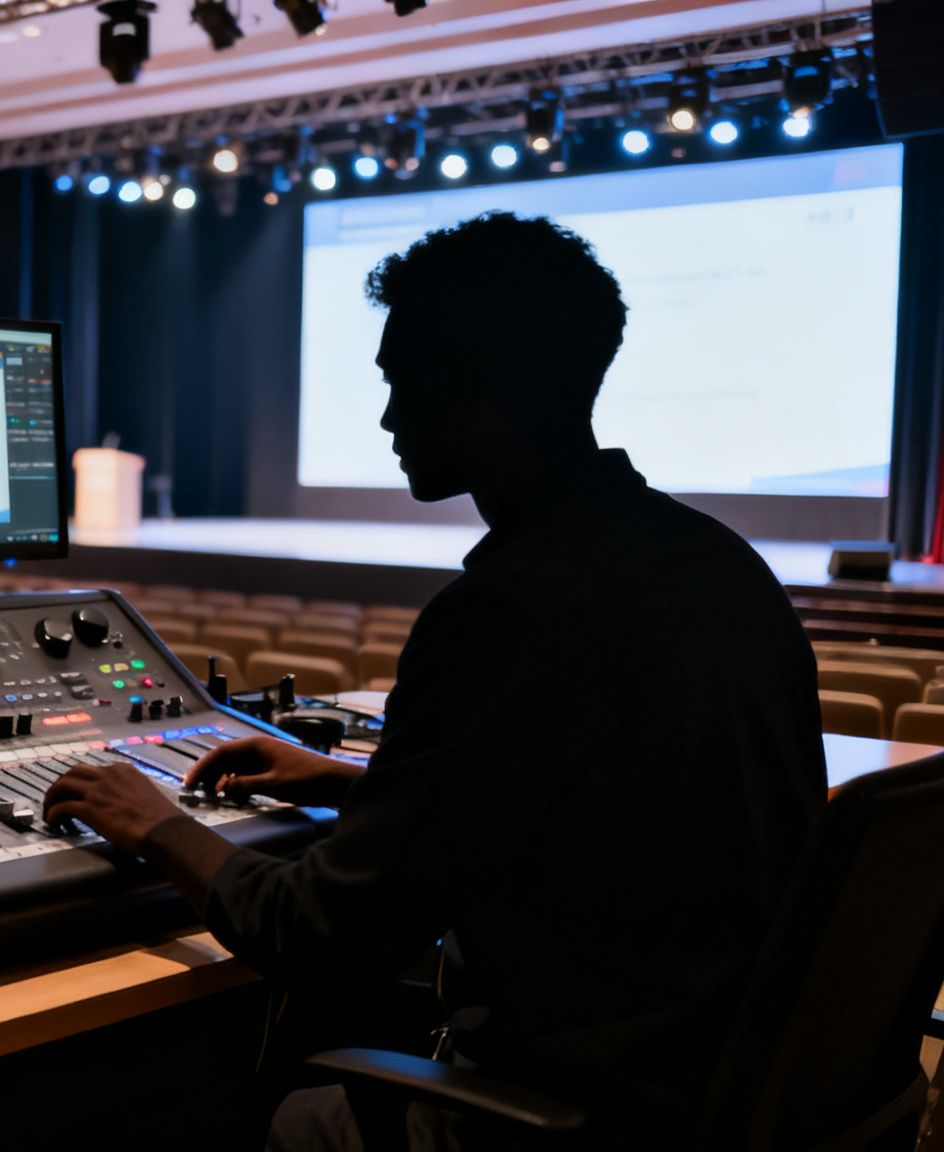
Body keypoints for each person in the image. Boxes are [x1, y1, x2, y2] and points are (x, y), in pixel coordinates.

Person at [41, 212, 826, 1148]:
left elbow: (318, 937)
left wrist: (156, 822)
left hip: (585, 1112)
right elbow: (610, 809)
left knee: (287, 1116)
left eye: (399, 382)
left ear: (470, 384)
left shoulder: (505, 613)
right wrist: (356, 784)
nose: (385, 419)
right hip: (730, 1085)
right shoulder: (722, 564)